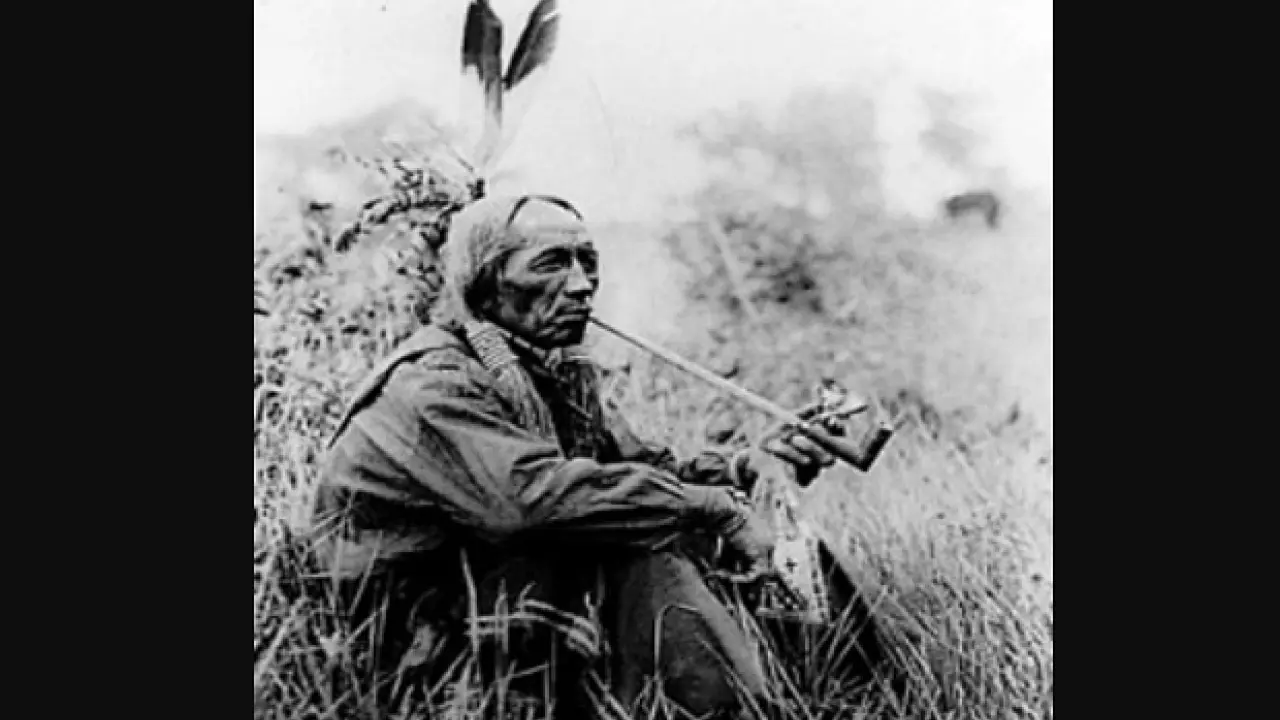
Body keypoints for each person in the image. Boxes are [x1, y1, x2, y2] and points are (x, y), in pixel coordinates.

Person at [307, 193, 836, 719]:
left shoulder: (547, 370)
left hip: (484, 586)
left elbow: (639, 471)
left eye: (588, 262)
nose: (582, 284)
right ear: (484, 282)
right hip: (404, 632)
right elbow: (529, 501)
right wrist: (717, 508)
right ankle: (732, 711)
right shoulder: (432, 382)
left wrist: (749, 465)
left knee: (667, 518)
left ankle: (826, 677)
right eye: (552, 263)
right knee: (642, 541)